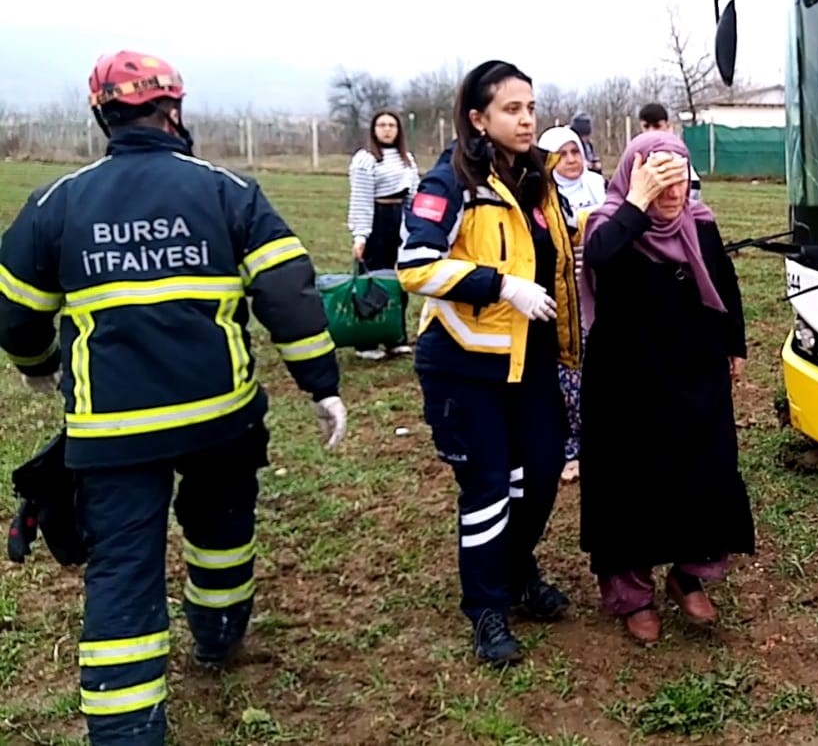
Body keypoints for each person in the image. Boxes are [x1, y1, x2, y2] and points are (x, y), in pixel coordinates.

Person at [0, 50, 347, 746]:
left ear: (101, 115)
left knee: (123, 573)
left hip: (111, 432)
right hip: (220, 417)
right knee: (221, 531)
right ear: (175, 110)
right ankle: (216, 636)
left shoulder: (56, 202)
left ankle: (128, 731)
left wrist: (38, 365)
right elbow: (288, 292)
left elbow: (15, 315)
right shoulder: (227, 190)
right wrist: (321, 385)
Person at [396, 59, 579, 666]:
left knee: (544, 471)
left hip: (530, 360)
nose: (526, 120)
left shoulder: (537, 179)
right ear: (478, 118)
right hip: (464, 365)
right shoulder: (451, 180)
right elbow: (415, 265)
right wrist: (499, 286)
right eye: (511, 109)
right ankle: (487, 609)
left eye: (530, 108)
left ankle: (516, 570)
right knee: (488, 488)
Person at [577, 130, 754, 644]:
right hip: (626, 379)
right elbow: (602, 261)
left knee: (707, 471)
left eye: (681, 179)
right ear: (634, 176)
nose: (674, 193)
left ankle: (689, 575)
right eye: (661, 180)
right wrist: (637, 201)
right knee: (630, 483)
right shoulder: (610, 224)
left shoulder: (699, 223)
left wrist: (734, 345)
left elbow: (725, 284)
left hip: (694, 371)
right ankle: (632, 595)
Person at [535, 125, 607, 484]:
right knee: (568, 371)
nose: (571, 160)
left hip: (596, 289)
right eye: (561, 154)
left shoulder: (597, 187)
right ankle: (572, 445)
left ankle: (601, 436)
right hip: (559, 296)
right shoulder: (539, 195)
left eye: (575, 151)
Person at [346, 109, 420, 359]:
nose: (387, 129)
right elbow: (361, 199)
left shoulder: (406, 159)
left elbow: (413, 196)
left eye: (392, 125)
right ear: (374, 129)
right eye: (382, 125)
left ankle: (394, 336)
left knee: (399, 279)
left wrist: (415, 227)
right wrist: (361, 235)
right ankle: (366, 341)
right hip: (377, 220)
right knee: (373, 280)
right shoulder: (365, 159)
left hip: (399, 220)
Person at [639, 102, 701, 200]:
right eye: (646, 127)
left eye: (657, 126)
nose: (651, 132)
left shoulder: (676, 155)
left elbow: (694, 191)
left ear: (668, 127)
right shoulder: (638, 155)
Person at [570, 110, 604, 176]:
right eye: (583, 136)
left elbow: (593, 158)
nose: (586, 138)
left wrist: (596, 167)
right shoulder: (570, 145)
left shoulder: (589, 145)